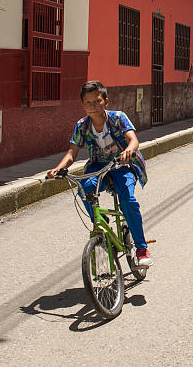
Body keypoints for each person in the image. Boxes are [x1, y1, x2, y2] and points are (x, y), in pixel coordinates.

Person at [47, 81, 152, 267]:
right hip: (98, 166)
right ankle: (100, 222)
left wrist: (129, 150)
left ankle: (141, 249)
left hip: (122, 165)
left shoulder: (118, 118)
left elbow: (133, 140)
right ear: (82, 105)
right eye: (88, 103)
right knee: (84, 187)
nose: (93, 106)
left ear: (105, 101)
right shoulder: (82, 125)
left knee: (128, 200)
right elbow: (72, 152)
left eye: (97, 101)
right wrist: (58, 168)